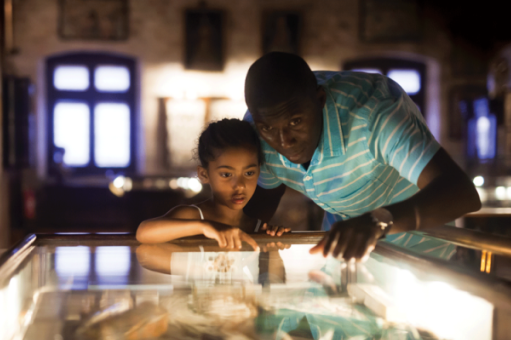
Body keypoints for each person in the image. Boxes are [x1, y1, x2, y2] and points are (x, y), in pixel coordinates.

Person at [241, 52, 481, 262]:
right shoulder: (259, 125)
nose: (284, 141)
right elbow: (261, 200)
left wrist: (378, 222)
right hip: (347, 258)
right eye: (269, 129)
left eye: (295, 122)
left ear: (320, 100)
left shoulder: (375, 113)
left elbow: (462, 193)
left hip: (420, 260)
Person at [137, 119, 291, 248]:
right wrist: (205, 227)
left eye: (249, 173)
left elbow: (268, 281)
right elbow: (143, 233)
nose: (240, 185)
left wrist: (274, 249)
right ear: (204, 174)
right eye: (226, 174)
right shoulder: (194, 216)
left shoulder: (257, 227)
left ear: (259, 171)